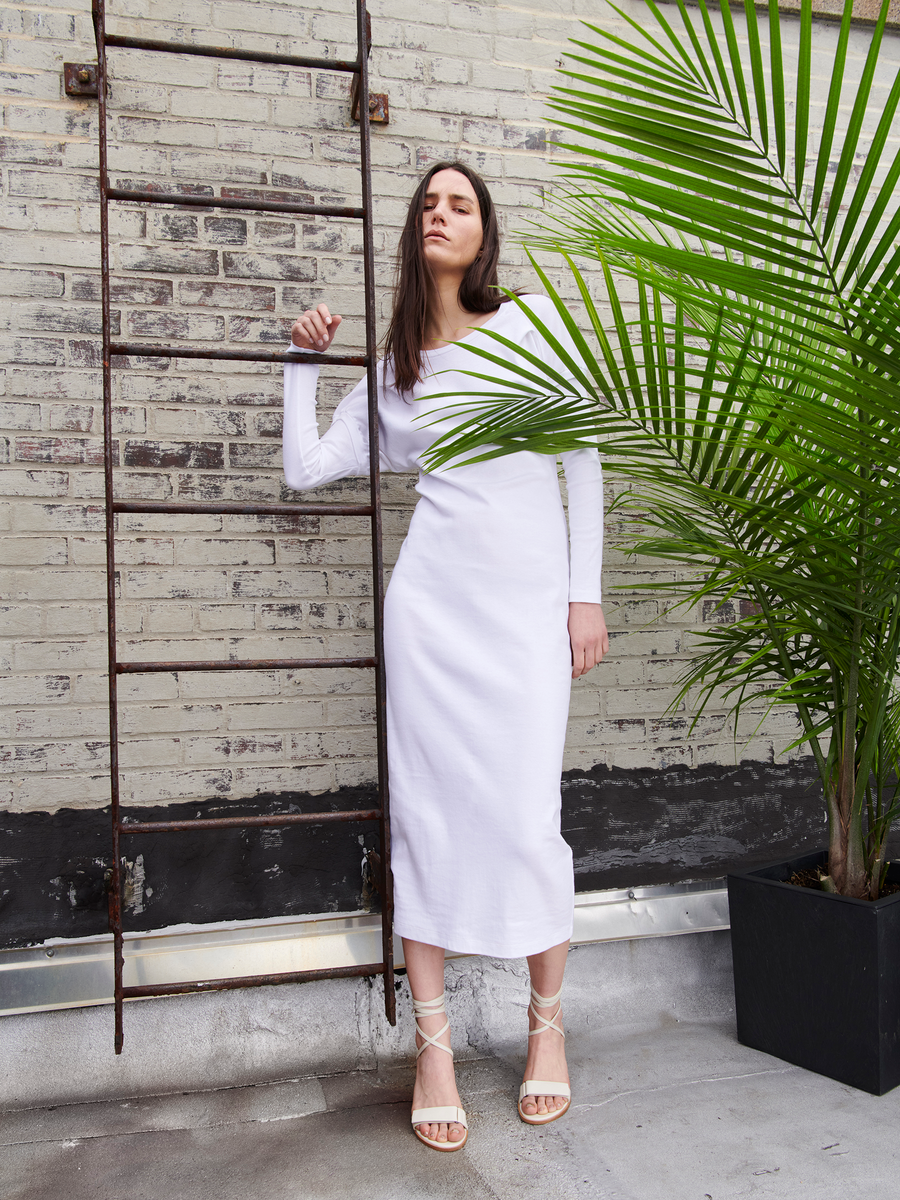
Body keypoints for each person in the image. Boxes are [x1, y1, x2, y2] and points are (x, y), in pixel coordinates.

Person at [283, 161, 608, 1152]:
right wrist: (302, 366)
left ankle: (545, 1028)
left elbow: (581, 455)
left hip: (522, 620)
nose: (441, 212)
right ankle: (432, 1049)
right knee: (425, 820)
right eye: (429, 203)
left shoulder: (531, 328)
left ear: (485, 231)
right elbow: (305, 470)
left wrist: (582, 594)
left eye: (460, 203)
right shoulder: (394, 368)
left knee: (524, 819)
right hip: (431, 615)